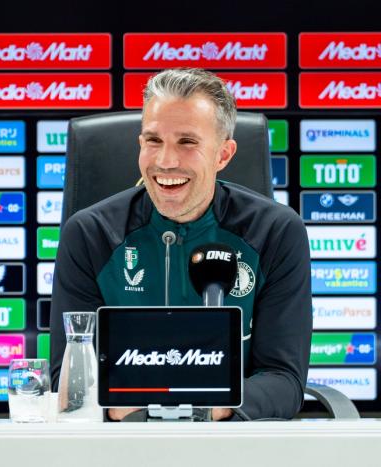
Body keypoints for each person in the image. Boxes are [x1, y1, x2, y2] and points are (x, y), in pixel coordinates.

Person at [49, 68, 311, 421]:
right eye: (153, 141)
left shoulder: (276, 233)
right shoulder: (89, 234)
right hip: (122, 440)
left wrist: (205, 407)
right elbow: (69, 380)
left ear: (223, 154)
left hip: (232, 440)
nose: (165, 161)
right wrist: (128, 409)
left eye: (187, 142)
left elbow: (284, 381)